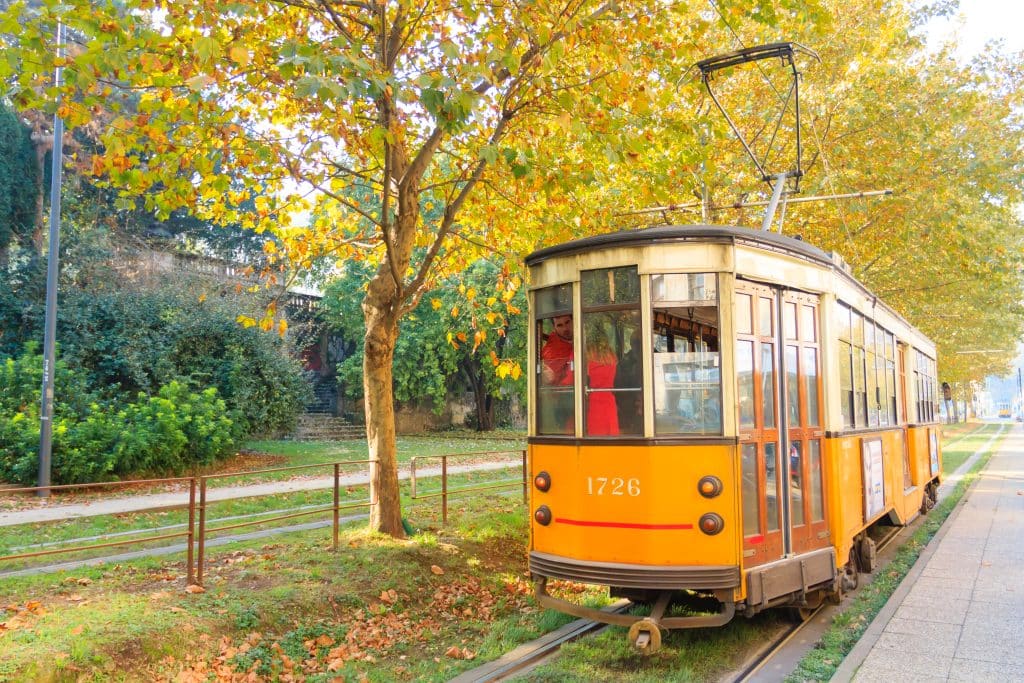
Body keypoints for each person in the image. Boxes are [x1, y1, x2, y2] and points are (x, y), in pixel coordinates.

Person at [540, 314, 574, 433]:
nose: (565, 328)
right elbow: (548, 380)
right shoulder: (550, 351)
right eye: (559, 325)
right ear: (554, 328)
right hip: (563, 403)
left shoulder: (583, 339)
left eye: (567, 322)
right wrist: (551, 379)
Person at [586, 331, 619, 435]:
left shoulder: (589, 356)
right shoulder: (611, 356)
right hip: (609, 400)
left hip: (594, 401)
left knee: (596, 437)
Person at [615, 328, 643, 435]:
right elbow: (619, 388)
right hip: (631, 408)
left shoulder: (623, 362)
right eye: (636, 343)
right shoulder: (624, 363)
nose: (638, 346)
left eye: (639, 343)